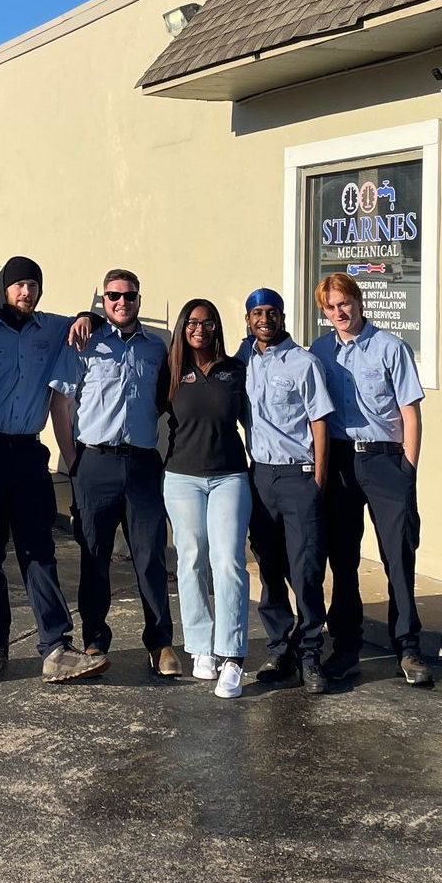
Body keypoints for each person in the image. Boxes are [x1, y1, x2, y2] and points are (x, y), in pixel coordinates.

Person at [0, 255, 106, 684]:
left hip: (27, 453)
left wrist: (85, 317)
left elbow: (88, 320)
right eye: (19, 285)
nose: (26, 293)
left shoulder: (52, 328)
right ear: (4, 287)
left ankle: (56, 646)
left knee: (39, 550)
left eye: (33, 286)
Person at [49, 268, 180, 675]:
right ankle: (94, 641)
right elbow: (62, 403)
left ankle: (160, 644)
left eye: (129, 296)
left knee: (151, 558)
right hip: (94, 463)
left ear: (140, 299)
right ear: (103, 301)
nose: (121, 303)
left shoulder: (158, 348)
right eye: (113, 296)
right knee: (94, 557)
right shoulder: (83, 342)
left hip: (141, 462)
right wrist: (75, 462)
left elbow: (164, 399)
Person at [309, 273, 434, 688]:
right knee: (342, 560)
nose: (339, 312)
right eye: (330, 307)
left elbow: (411, 413)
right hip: (342, 463)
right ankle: (346, 649)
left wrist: (408, 472)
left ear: (359, 302)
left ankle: (408, 647)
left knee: (398, 557)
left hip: (385, 461)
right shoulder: (321, 350)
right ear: (323, 312)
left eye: (344, 303)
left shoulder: (390, 347)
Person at [239, 288, 335, 695]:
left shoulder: (304, 363)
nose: (265, 319)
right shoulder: (243, 361)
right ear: (248, 320)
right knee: (270, 568)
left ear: (282, 317)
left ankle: (311, 655)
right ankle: (280, 649)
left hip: (299, 476)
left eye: (272, 313)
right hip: (260, 477)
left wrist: (317, 481)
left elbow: (319, 424)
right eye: (257, 313)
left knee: (306, 570)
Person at [161, 298, 252, 699]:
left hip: (229, 476)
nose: (200, 328)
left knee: (229, 560)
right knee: (191, 558)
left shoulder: (236, 370)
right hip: (182, 479)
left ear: (217, 327)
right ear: (183, 328)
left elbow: (256, 419)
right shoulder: (171, 372)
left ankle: (231, 655)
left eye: (208, 322)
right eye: (193, 322)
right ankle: (201, 648)